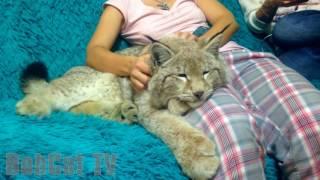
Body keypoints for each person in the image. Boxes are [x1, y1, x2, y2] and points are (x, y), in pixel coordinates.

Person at [86, 0, 320, 179]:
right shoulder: (121, 4)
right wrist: (133, 65)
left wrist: (199, 43)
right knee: (232, 134)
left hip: (228, 55)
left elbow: (227, 20)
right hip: (179, 79)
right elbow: (95, 52)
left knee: (310, 116)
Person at [238, 0, 320, 80]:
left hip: (313, 22)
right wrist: (271, 3)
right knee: (274, 75)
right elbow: (256, 27)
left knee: (285, 28)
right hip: (287, 43)